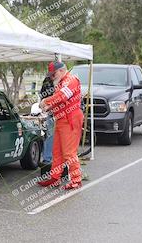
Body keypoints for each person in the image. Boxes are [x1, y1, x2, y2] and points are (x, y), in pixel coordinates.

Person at [38, 61, 84, 189]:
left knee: (69, 153)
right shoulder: (62, 82)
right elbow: (60, 100)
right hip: (62, 118)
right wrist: (49, 107)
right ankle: (55, 177)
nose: (52, 77)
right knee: (57, 151)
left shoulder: (71, 80)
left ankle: (76, 180)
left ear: (61, 71)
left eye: (53, 74)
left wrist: (46, 101)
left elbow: (62, 96)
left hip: (71, 119)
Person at [39, 76, 55, 165]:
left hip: (55, 113)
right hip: (52, 113)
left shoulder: (64, 82)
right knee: (51, 136)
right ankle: (47, 159)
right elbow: (42, 95)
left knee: (51, 136)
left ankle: (48, 159)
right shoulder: (48, 81)